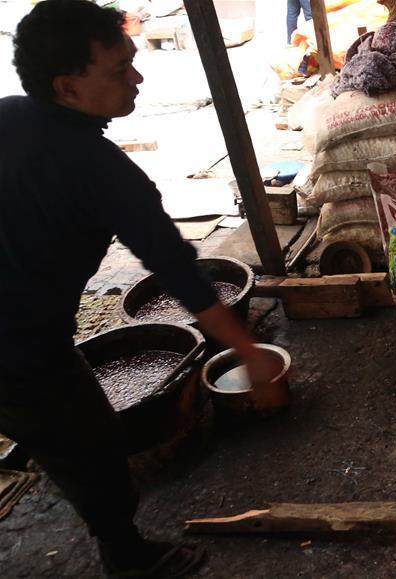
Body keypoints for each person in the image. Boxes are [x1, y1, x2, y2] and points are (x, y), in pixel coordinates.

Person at [0, 1, 280, 576]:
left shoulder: (6, 116)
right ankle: (128, 559)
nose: (138, 77)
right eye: (119, 69)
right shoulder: (104, 173)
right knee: (95, 446)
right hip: (19, 347)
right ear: (67, 87)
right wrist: (248, 353)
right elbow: (183, 276)